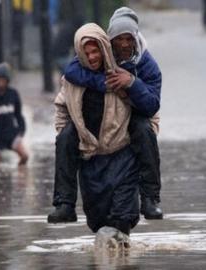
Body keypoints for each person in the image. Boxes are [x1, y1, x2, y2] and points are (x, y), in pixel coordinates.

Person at [58, 7, 164, 220]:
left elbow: (152, 105)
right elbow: (72, 71)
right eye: (118, 39)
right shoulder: (100, 52)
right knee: (66, 137)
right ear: (110, 40)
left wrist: (131, 83)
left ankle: (150, 199)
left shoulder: (147, 64)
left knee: (144, 131)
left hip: (134, 118)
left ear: (135, 38)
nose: (124, 44)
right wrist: (106, 83)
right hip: (101, 129)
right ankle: (64, 204)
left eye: (128, 39)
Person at [50, 23, 139, 242]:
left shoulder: (124, 73)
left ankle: (150, 199)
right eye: (86, 53)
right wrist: (67, 137)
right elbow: (62, 108)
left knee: (121, 218)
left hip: (122, 153)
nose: (91, 57)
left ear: (104, 48)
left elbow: (148, 107)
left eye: (95, 51)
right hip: (91, 156)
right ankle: (64, 204)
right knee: (98, 222)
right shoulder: (72, 78)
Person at [0, 62, 29, 166]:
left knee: (25, 156)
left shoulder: (13, 94)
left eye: (3, 79)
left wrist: (21, 132)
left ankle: (19, 174)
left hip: (11, 134)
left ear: (7, 80)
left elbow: (19, 115)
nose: (0, 82)